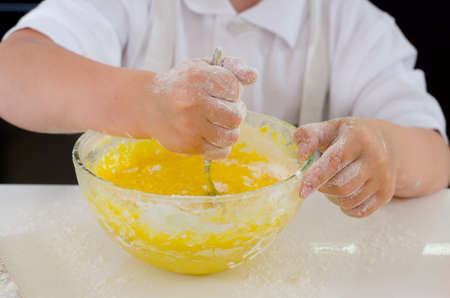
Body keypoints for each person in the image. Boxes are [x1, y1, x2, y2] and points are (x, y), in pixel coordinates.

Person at [0, 0, 448, 218]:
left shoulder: (353, 22)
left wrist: (384, 148)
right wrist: (146, 100)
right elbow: (12, 71)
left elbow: (433, 154)